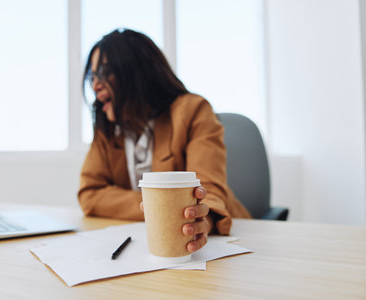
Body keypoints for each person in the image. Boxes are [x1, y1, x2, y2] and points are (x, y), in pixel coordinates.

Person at [78, 28, 251, 253]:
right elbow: (90, 195)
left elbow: (209, 192)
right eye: (93, 76)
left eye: (104, 73)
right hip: (150, 243)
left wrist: (199, 223)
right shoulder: (107, 127)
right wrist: (161, 207)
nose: (95, 86)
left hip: (226, 242)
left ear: (137, 72)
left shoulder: (193, 110)